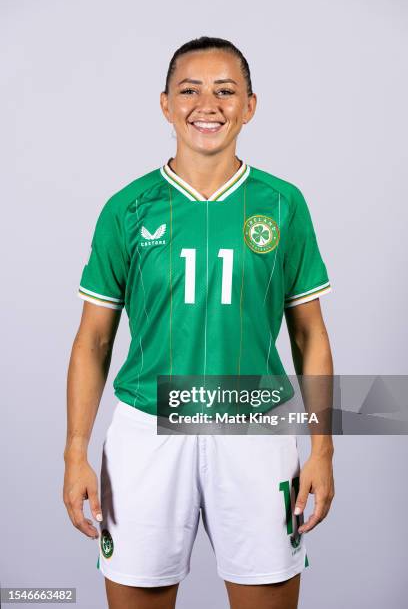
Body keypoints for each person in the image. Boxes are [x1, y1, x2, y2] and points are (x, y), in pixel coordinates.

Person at [63, 36, 335, 609]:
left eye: (225, 91)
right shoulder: (127, 207)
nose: (206, 104)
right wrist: (75, 453)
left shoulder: (283, 203)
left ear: (250, 105)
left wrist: (321, 450)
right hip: (148, 429)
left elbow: (309, 334)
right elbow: (93, 340)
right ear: (165, 104)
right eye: (190, 90)